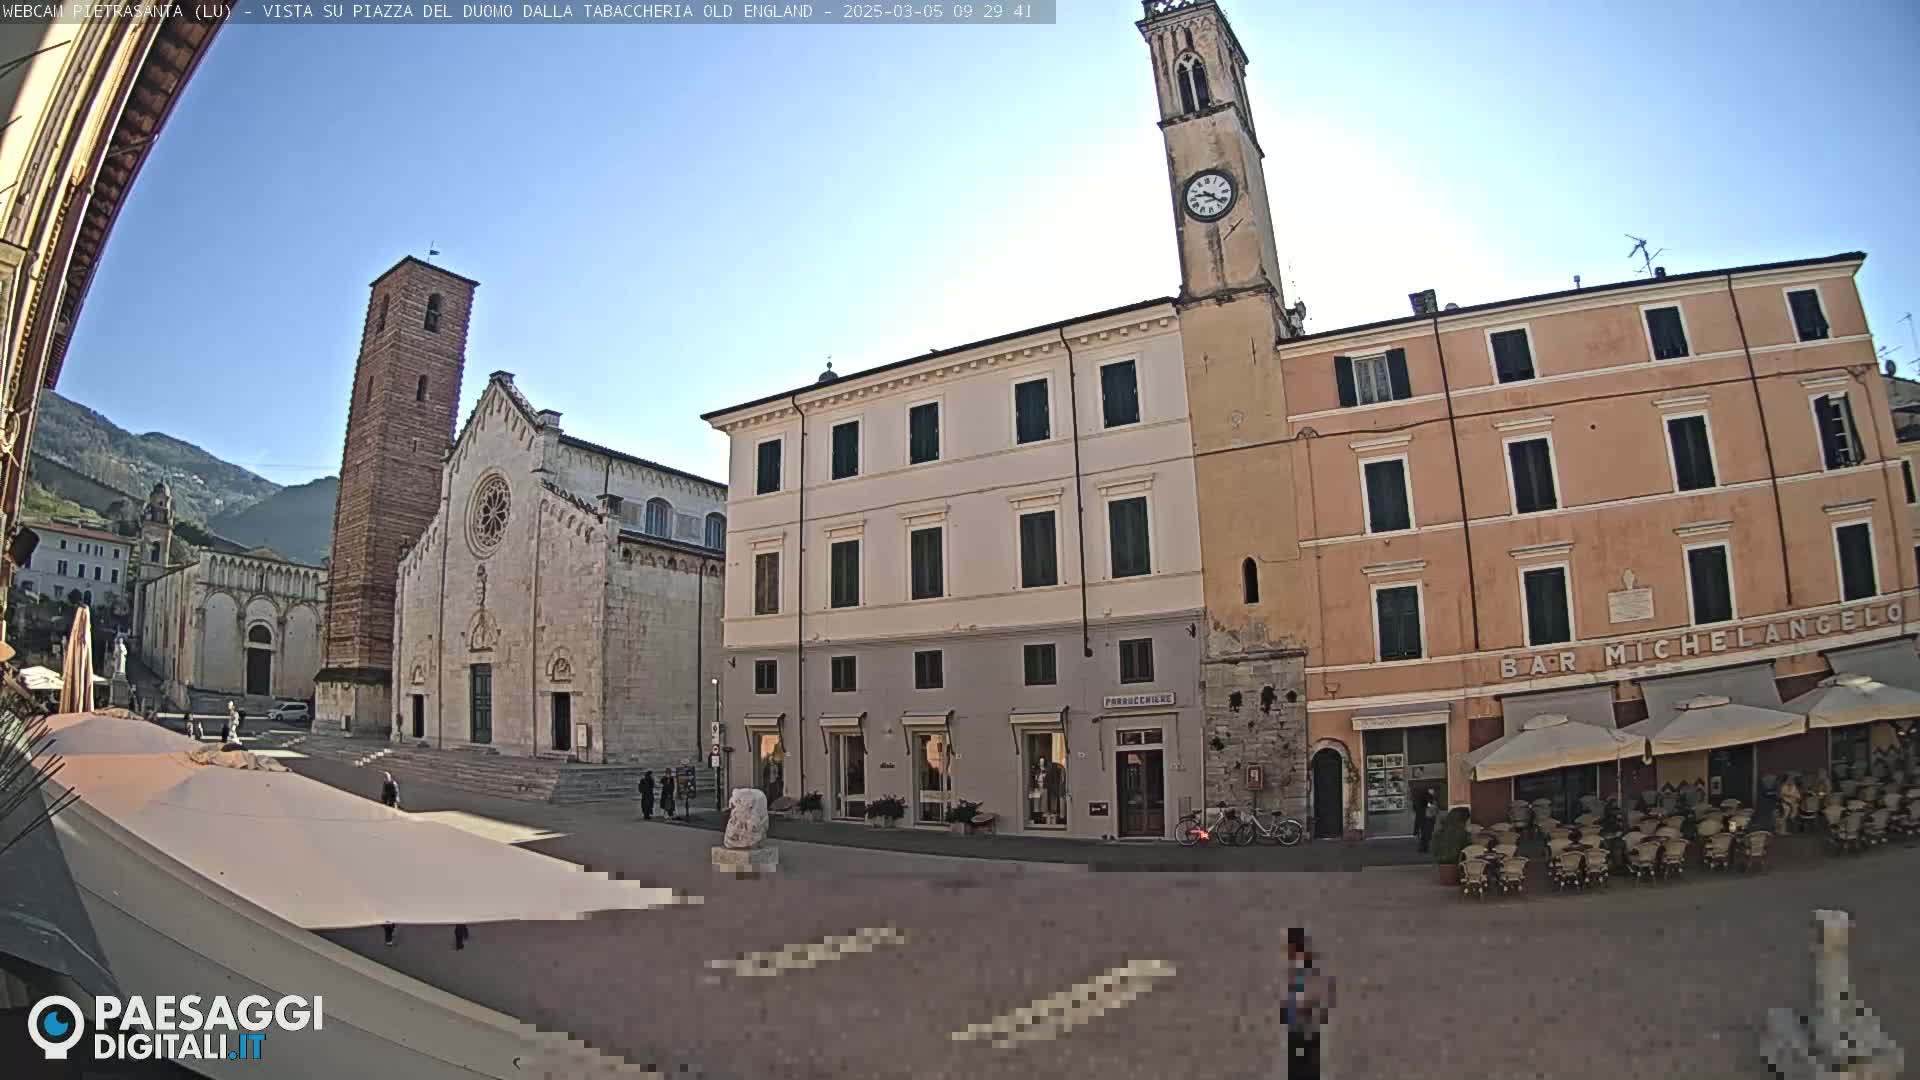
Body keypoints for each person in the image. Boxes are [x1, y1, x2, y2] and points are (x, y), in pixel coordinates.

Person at [1282, 927, 1334, 1079]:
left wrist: (1306, 1005)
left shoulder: (1311, 970)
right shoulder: (1294, 970)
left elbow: (1324, 996)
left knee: (1305, 1072)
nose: (1286, 952)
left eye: (1288, 947)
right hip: (1297, 1030)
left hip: (1307, 1032)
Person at [1410, 786, 1434, 853]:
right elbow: (1429, 803)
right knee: (1425, 832)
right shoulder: (1427, 795)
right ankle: (1424, 847)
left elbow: (1415, 807)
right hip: (1424, 815)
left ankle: (1422, 847)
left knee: (1422, 832)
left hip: (1421, 814)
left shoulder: (1418, 797)